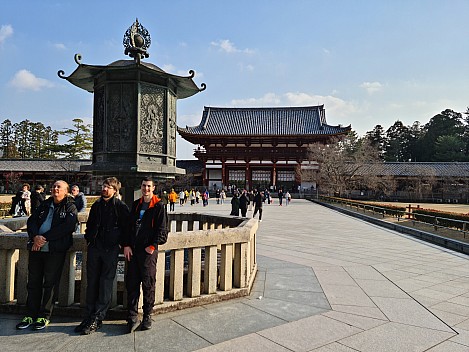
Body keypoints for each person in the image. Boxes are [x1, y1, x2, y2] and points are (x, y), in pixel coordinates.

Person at [16, 180, 78, 331]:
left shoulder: (70, 206)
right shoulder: (45, 204)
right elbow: (31, 221)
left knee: (49, 283)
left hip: (54, 250)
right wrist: (36, 236)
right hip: (37, 249)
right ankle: (30, 314)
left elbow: (68, 226)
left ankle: (44, 315)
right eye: (54, 186)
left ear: (66, 191)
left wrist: (45, 238)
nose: (55, 189)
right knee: (33, 282)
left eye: (59, 187)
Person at [75, 177, 130, 335]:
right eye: (104, 186)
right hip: (95, 247)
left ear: (115, 190)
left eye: (108, 187)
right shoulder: (97, 205)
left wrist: (123, 243)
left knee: (105, 282)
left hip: (110, 249)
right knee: (91, 281)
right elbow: (91, 224)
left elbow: (127, 227)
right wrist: (89, 238)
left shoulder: (120, 206)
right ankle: (89, 315)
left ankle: (98, 317)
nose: (105, 189)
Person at [123, 177, 168, 333]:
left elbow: (162, 231)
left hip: (148, 252)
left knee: (148, 283)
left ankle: (148, 314)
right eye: (144, 186)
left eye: (149, 186)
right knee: (132, 283)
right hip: (133, 251)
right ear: (140, 187)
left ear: (153, 188)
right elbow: (129, 228)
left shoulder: (159, 206)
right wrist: (126, 245)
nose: (146, 189)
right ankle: (132, 316)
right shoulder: (136, 205)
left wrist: (152, 246)